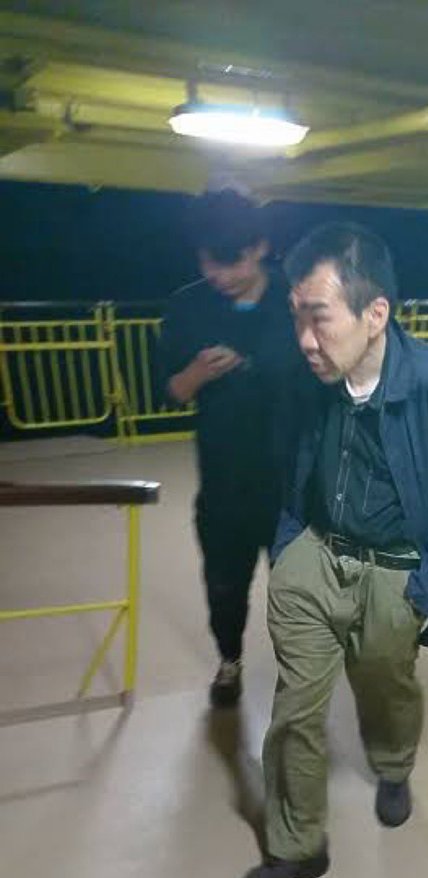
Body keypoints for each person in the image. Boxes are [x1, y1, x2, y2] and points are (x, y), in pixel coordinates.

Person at [238, 222, 428, 878]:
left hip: (397, 572)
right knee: (294, 710)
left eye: (319, 317)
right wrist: (291, 550)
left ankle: (393, 765)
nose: (305, 339)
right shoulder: (306, 381)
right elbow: (289, 468)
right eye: (296, 318)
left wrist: (424, 592)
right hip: (316, 557)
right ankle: (297, 845)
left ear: (375, 313)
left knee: (387, 685)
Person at [160, 190, 302, 706]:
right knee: (224, 585)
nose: (218, 275)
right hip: (224, 483)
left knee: (300, 592)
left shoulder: (298, 298)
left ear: (259, 246)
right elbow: (171, 391)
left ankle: (302, 673)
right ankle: (229, 661)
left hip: (295, 484)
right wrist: (198, 372)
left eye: (231, 261)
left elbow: (329, 377)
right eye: (207, 262)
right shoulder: (188, 306)